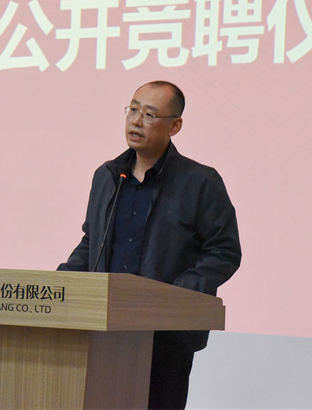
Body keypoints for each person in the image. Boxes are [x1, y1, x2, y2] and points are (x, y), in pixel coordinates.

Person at [57, 80, 242, 409]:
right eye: (133, 110)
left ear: (175, 126)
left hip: (166, 336)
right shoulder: (108, 176)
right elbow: (93, 241)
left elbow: (223, 252)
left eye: (149, 114)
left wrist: (175, 294)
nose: (136, 120)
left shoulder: (199, 182)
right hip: (104, 331)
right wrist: (63, 282)